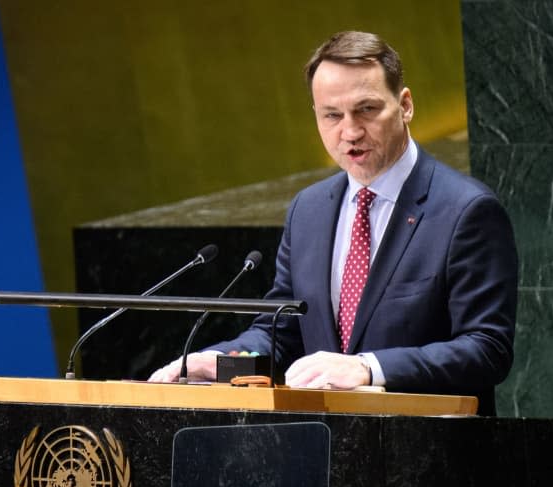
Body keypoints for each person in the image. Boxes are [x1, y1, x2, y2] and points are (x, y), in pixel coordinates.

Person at [149, 30, 518, 415]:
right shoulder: (308, 210)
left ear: (405, 105)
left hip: (429, 454)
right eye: (332, 115)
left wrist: (368, 368)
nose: (351, 131)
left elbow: (486, 349)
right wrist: (223, 361)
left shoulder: (466, 210)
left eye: (367, 110)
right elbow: (282, 333)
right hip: (322, 448)